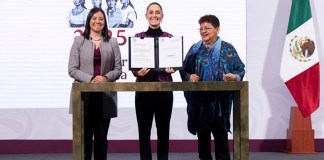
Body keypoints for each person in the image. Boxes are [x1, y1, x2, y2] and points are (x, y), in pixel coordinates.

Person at [180, 15, 245, 160]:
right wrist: (189, 77)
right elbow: (184, 70)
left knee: (221, 141)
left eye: (207, 28)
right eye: (201, 28)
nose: (203, 31)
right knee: (203, 143)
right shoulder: (194, 50)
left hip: (220, 104)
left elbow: (240, 69)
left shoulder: (228, 48)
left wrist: (235, 77)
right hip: (200, 104)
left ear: (217, 29)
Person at [68, 7, 122, 160]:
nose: (97, 21)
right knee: (84, 141)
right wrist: (90, 79)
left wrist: (105, 77)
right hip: (84, 97)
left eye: (101, 19)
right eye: (94, 18)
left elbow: (118, 69)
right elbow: (72, 69)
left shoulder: (112, 42)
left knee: (101, 141)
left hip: (105, 97)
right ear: (88, 21)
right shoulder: (79, 41)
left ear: (105, 22)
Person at [132, 2, 175, 160]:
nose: (154, 15)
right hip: (143, 91)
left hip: (164, 91)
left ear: (162, 16)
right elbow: (133, 66)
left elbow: (175, 61)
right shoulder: (137, 38)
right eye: (151, 12)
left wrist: (174, 67)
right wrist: (138, 71)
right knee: (144, 132)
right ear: (146, 16)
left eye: (157, 12)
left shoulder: (170, 38)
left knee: (163, 131)